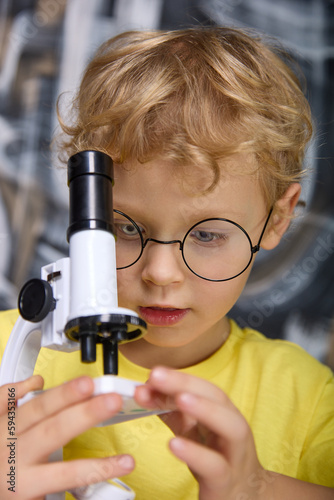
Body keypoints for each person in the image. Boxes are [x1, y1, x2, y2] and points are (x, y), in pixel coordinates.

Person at [0, 26, 333, 500]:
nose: (160, 272)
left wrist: (255, 488)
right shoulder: (6, 351)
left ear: (276, 219)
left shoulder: (309, 397)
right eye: (124, 228)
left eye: (207, 235)